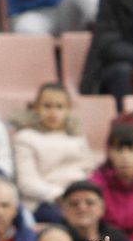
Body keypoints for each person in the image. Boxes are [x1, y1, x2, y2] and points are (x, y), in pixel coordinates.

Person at [13, 83, 99, 216]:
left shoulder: (77, 137)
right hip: (45, 202)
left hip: (80, 198)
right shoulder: (25, 138)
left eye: (59, 107)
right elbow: (27, 183)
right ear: (36, 108)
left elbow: (90, 171)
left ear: (68, 109)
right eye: (47, 106)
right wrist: (63, 196)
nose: (53, 112)